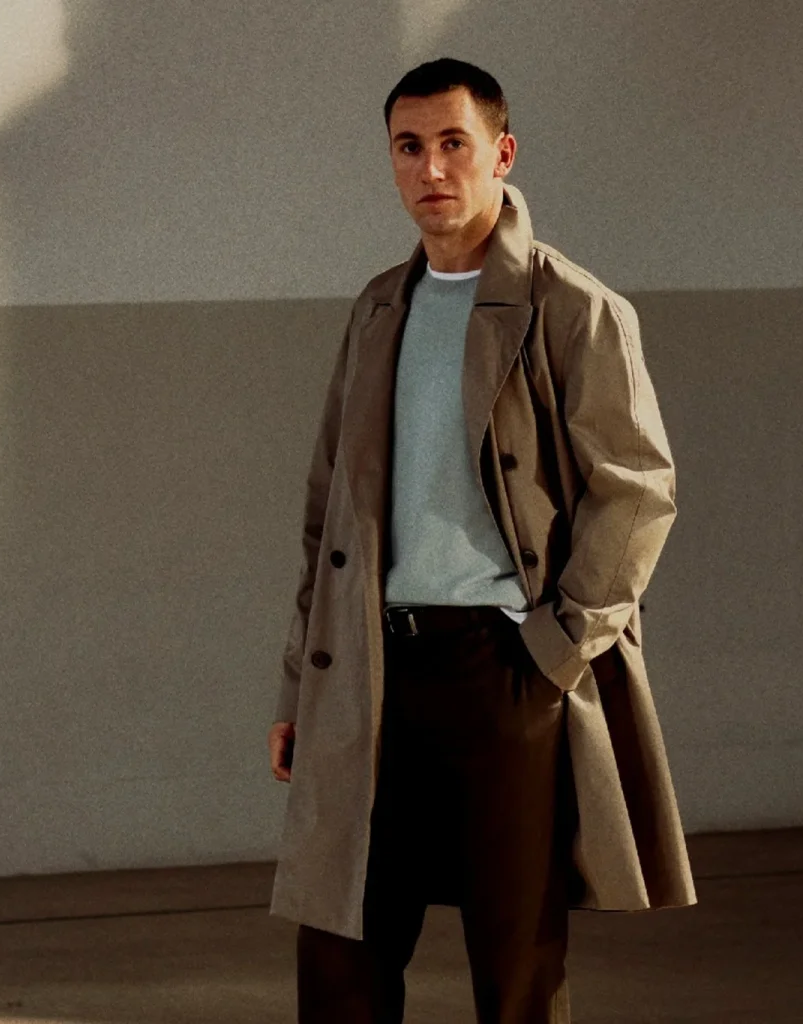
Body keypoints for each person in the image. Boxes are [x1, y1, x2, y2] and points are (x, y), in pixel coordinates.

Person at [266, 58, 696, 1024]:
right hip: (373, 668)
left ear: (501, 154)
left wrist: (557, 648)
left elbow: (637, 490)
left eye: (453, 144)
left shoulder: (575, 308)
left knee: (516, 962)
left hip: (502, 669)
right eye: (408, 147)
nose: (431, 169)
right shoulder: (379, 308)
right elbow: (328, 518)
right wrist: (303, 684)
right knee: (340, 954)